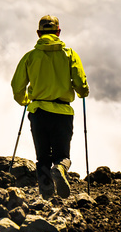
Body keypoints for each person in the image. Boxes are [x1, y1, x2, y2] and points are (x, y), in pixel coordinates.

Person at [11, 15, 89, 199]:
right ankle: (60, 168)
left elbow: (17, 86)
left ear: (38, 33)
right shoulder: (69, 54)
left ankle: (46, 195)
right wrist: (82, 92)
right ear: (58, 32)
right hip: (62, 112)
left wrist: (24, 101)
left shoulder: (30, 57)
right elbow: (79, 81)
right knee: (62, 155)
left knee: (42, 157)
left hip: (38, 112)